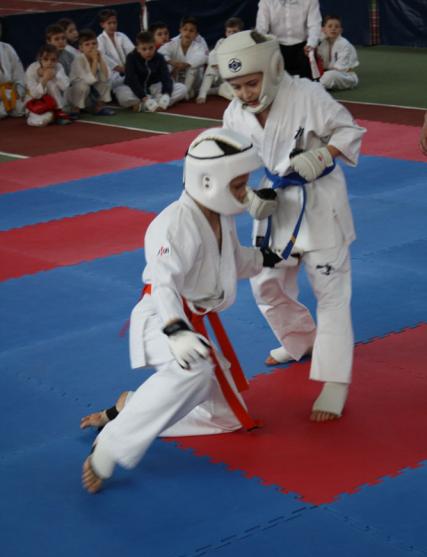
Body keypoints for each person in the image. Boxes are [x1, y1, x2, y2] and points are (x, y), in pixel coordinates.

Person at [81, 127, 283, 493]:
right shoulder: (173, 224)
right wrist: (176, 331)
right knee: (195, 369)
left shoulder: (220, 215)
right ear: (208, 181)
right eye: (239, 185)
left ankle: (133, 406)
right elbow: (164, 284)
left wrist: (266, 258)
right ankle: (112, 443)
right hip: (161, 317)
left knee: (226, 418)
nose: (245, 193)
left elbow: (231, 261)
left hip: (193, 323)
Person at [217, 30, 366, 422]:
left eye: (252, 83)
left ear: (273, 68)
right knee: (264, 284)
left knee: (330, 292)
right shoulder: (234, 113)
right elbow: (231, 165)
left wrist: (322, 155)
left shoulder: (307, 94)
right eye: (236, 86)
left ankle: (335, 380)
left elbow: (349, 130)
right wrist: (247, 197)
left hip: (320, 204)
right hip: (274, 205)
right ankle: (301, 339)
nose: (246, 93)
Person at [256, 0, 321, 79]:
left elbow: (314, 25)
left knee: (307, 78)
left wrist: (311, 44)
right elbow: (261, 29)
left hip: (303, 47)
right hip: (276, 47)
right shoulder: (266, 2)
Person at [124, 31, 187, 112]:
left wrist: (166, 95)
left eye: (151, 48)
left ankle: (145, 106)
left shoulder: (160, 57)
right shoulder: (131, 57)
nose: (148, 52)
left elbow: (166, 77)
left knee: (182, 88)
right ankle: (154, 103)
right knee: (123, 96)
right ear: (138, 49)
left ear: (155, 46)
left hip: (154, 87)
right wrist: (144, 98)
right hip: (137, 89)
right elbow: (131, 79)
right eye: (144, 49)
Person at [196, 16, 244, 104]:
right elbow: (213, 55)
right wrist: (219, 66)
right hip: (221, 73)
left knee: (235, 96)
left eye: (234, 31)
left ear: (240, 32)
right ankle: (202, 93)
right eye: (229, 32)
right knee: (211, 65)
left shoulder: (244, 44)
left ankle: (217, 90)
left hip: (236, 77)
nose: (231, 34)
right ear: (226, 33)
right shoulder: (221, 42)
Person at [97, 8, 138, 108]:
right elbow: (103, 58)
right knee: (125, 97)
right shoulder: (99, 40)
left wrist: (131, 67)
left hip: (129, 73)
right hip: (114, 78)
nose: (112, 25)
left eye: (114, 23)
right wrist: (123, 69)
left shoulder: (121, 36)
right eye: (109, 23)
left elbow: (133, 52)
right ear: (102, 24)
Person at [159, 16, 208, 99]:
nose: (187, 33)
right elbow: (160, 53)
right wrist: (172, 63)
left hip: (194, 82)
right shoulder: (173, 43)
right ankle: (178, 90)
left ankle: (186, 92)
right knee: (166, 65)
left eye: (191, 31)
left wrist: (185, 65)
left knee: (193, 67)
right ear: (180, 30)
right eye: (185, 29)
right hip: (176, 78)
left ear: (196, 34)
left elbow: (203, 57)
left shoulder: (199, 47)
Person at [68, 29, 114, 115]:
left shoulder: (99, 55)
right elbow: (89, 80)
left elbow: (106, 76)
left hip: (90, 95)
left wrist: (100, 60)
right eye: (87, 44)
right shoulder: (78, 59)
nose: (91, 46)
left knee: (105, 82)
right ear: (81, 48)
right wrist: (95, 60)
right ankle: (75, 109)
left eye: (94, 43)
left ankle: (98, 108)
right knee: (83, 86)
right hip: (75, 95)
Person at [25, 44, 72, 126]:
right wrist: (44, 79)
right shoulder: (32, 69)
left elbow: (65, 86)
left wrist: (56, 75)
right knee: (42, 121)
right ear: (39, 58)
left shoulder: (58, 66)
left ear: (57, 60)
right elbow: (35, 95)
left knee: (52, 83)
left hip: (53, 103)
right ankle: (35, 115)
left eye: (53, 60)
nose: (49, 62)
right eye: (46, 59)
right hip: (35, 102)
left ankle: (58, 111)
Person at [317, 15, 359, 91]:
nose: (333, 29)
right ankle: (318, 84)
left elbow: (339, 68)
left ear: (341, 30)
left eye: (336, 27)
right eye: (330, 26)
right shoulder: (321, 42)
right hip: (324, 73)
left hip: (344, 75)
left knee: (331, 75)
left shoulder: (344, 44)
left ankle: (316, 86)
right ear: (323, 29)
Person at [0, 40, 25, 119]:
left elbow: (19, 75)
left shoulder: (7, 48)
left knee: (22, 108)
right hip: (4, 94)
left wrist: (18, 91)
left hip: (10, 93)